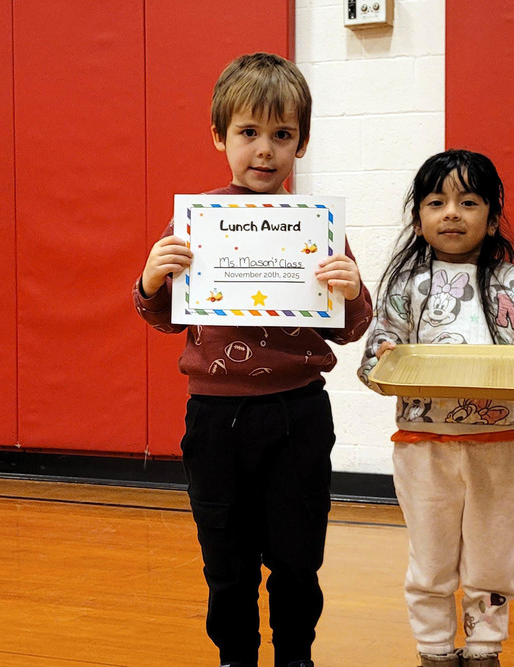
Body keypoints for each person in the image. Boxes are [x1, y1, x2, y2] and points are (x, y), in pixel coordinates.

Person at [133, 52, 373, 667]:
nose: (264, 150)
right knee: (226, 557)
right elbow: (164, 317)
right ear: (220, 136)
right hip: (214, 418)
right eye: (248, 133)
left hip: (298, 415)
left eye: (282, 135)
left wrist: (350, 288)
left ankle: (296, 655)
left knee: (298, 557)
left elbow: (349, 329)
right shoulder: (193, 223)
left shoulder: (315, 226)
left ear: (301, 143)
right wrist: (151, 279)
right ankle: (235, 658)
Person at [357, 149, 514, 667]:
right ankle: (433, 650)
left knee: (493, 557)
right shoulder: (406, 286)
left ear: (492, 218)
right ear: (419, 218)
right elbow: (370, 364)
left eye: (468, 201)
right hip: (423, 447)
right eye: (437, 202)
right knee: (430, 560)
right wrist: (386, 357)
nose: (451, 212)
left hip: (499, 447)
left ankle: (484, 648)